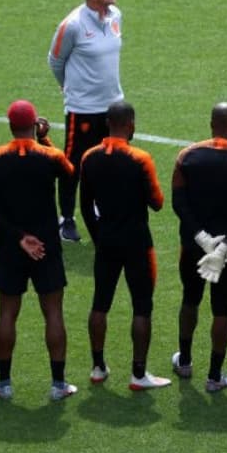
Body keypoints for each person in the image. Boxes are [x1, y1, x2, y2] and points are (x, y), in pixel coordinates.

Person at [0, 100, 76, 401]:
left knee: (7, 313)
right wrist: (45, 139)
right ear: (35, 125)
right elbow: (70, 174)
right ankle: (58, 385)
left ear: (10, 126)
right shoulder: (50, 156)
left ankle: (4, 384)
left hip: (11, 246)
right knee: (53, 312)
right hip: (46, 245)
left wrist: (19, 237)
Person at [79, 101, 171, 391]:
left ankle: (98, 367)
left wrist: (98, 237)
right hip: (137, 242)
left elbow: (85, 206)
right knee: (142, 307)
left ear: (108, 123)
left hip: (106, 239)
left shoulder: (89, 157)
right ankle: (138, 374)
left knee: (100, 303)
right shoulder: (140, 158)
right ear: (131, 124)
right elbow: (157, 202)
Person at [170, 102, 227, 392]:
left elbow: (179, 202)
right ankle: (214, 375)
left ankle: (185, 361)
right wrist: (224, 245)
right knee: (222, 307)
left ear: (211, 124)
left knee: (190, 299)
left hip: (193, 245)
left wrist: (200, 236)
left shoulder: (187, 156)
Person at [48, 0, 123, 242]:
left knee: (110, 162)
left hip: (113, 107)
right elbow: (55, 60)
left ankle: (101, 208)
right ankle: (67, 219)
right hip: (83, 110)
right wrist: (67, 87)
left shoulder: (116, 16)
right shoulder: (72, 25)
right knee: (73, 166)